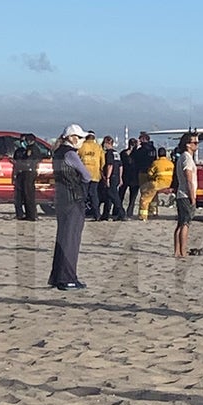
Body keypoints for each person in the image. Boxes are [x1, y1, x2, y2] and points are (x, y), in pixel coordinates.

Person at [49, 124, 92, 291]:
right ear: (73, 138)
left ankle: (58, 276)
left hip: (61, 199)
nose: (81, 141)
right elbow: (87, 176)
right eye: (80, 138)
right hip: (73, 200)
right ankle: (68, 278)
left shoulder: (57, 153)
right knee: (71, 240)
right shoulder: (70, 154)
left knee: (62, 238)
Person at [173, 132, 199, 257]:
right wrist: (192, 197)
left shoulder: (183, 157)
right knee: (185, 224)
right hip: (185, 195)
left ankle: (178, 251)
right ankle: (182, 251)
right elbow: (188, 178)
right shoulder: (187, 158)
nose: (197, 145)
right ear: (188, 144)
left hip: (181, 194)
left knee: (180, 223)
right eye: (195, 142)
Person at [138, 147, 175, 221]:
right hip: (169, 183)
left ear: (158, 154)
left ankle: (143, 216)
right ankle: (154, 211)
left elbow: (150, 174)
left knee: (144, 196)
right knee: (153, 195)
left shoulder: (156, 163)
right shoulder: (171, 163)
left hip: (158, 184)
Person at [13, 133, 42, 221]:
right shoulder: (29, 149)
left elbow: (29, 161)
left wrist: (21, 163)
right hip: (26, 172)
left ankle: (31, 215)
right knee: (26, 194)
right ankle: (28, 214)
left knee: (29, 194)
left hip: (29, 172)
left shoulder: (32, 149)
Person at [77, 130, 104, 221]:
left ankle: (81, 214)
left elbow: (77, 158)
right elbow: (103, 161)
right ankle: (97, 215)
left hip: (84, 173)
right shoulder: (98, 147)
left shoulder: (82, 146)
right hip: (95, 174)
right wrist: (101, 171)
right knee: (94, 195)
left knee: (83, 195)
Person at [99, 135, 126, 221]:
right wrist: (120, 177)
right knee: (108, 196)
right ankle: (105, 214)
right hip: (117, 175)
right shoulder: (116, 153)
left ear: (107, 143)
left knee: (113, 195)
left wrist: (107, 178)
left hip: (112, 177)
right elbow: (121, 166)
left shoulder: (109, 153)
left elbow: (110, 165)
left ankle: (121, 213)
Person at [134, 131, 157, 206]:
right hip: (152, 172)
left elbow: (136, 157)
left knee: (144, 191)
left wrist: (136, 147)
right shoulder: (153, 149)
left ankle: (144, 209)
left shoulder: (143, 149)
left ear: (143, 139)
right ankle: (153, 209)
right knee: (152, 191)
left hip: (143, 171)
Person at [119, 138, 139, 217]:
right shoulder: (125, 153)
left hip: (131, 176)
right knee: (122, 195)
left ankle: (128, 211)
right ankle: (120, 210)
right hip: (128, 176)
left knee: (130, 196)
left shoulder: (137, 153)